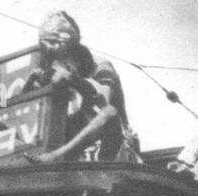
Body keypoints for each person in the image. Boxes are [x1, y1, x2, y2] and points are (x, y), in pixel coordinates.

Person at [20, 12, 135, 164]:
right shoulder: (53, 65)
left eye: (61, 57)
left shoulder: (100, 67)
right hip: (76, 140)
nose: (56, 63)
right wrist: (29, 85)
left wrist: (55, 154)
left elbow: (104, 111)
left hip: (111, 145)